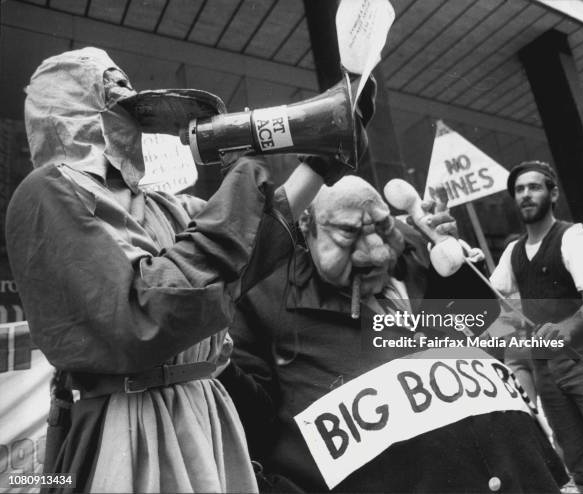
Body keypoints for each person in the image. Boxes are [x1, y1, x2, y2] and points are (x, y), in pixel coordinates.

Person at [5, 47, 353, 493]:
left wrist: (321, 162)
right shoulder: (48, 191)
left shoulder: (161, 203)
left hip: (203, 409)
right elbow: (145, 315)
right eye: (108, 84)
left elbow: (241, 255)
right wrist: (244, 177)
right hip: (134, 423)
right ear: (69, 101)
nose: (127, 93)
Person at [218, 175, 568, 492]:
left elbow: (489, 333)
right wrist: (212, 353)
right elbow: (249, 427)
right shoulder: (261, 299)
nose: (375, 251)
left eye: (382, 227)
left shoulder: (418, 251)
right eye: (348, 232)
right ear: (307, 226)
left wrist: (458, 268)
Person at [489, 161, 583, 494]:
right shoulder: (513, 251)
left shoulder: (574, 236)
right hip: (546, 371)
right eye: (519, 190)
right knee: (579, 463)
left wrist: (568, 327)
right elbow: (491, 299)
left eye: (534, 187)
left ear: (552, 193)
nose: (526, 195)